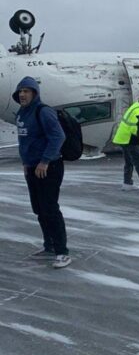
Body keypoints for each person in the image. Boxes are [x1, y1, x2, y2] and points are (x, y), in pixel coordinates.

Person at [13, 76, 71, 268]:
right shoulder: (21, 113)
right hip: (31, 167)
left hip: (49, 167)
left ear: (35, 93)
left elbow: (58, 136)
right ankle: (49, 246)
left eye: (26, 91)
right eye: (20, 91)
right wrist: (26, 163)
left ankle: (62, 252)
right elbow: (25, 142)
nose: (22, 95)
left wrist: (45, 161)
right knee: (39, 209)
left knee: (50, 208)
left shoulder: (43, 111)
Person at [112, 92, 139, 192]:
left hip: (122, 137)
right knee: (138, 160)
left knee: (129, 161)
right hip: (130, 139)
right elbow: (135, 127)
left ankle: (127, 183)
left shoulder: (136, 105)